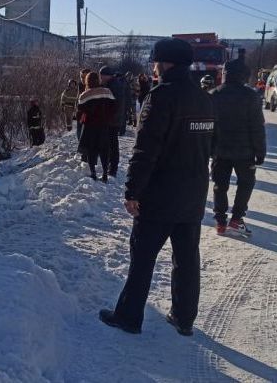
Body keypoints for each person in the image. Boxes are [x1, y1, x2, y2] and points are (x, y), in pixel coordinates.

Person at [99, 38, 214, 337]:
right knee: (187, 258)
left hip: (161, 194)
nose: (153, 66)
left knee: (143, 256)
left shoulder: (161, 97)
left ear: (165, 63)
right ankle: (184, 318)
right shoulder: (203, 98)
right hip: (193, 193)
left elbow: (146, 149)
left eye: (155, 61)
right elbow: (209, 146)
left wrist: (133, 191)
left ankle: (128, 316)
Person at [209, 59, 266, 236]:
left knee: (220, 184)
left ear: (225, 74)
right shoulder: (251, 96)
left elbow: (208, 126)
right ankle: (236, 219)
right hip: (245, 151)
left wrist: (207, 149)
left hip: (220, 150)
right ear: (244, 75)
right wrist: (260, 151)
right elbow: (257, 126)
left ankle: (220, 221)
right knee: (246, 183)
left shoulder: (213, 95)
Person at [76, 72, 116, 182]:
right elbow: (114, 108)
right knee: (104, 149)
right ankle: (104, 173)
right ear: (98, 80)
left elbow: (79, 113)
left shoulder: (84, 95)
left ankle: (93, 173)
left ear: (87, 81)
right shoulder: (107, 92)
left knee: (91, 150)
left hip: (90, 127)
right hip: (104, 126)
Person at [99, 66, 128, 177]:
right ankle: (110, 167)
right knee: (110, 144)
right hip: (111, 119)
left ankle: (113, 169)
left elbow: (115, 104)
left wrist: (107, 116)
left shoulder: (114, 86)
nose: (100, 77)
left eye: (102, 75)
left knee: (112, 144)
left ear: (108, 75)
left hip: (112, 120)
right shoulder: (111, 84)